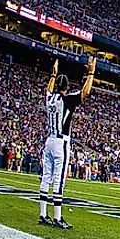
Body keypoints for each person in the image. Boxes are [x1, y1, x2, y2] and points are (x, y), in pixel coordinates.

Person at [39, 56, 96, 229]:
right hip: (61, 142)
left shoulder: (50, 99)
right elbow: (85, 92)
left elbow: (48, 91)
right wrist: (91, 73)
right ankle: (57, 217)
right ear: (67, 87)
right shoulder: (67, 100)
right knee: (59, 179)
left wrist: (53, 75)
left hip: (49, 140)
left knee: (46, 177)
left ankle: (43, 214)